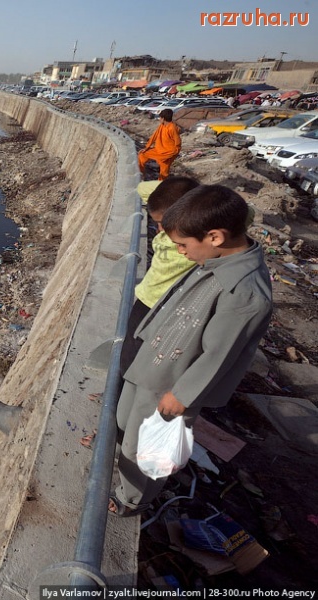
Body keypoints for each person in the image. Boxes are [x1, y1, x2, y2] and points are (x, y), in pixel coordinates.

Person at [109, 185, 272, 517]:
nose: (180, 251)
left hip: (169, 386)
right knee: (127, 425)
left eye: (183, 245)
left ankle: (131, 500)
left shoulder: (245, 292)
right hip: (153, 366)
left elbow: (219, 353)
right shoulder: (216, 260)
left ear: (214, 236)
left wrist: (183, 394)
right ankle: (118, 463)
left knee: (149, 448)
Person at [119, 177, 200, 376]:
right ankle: (122, 386)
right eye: (158, 223)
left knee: (139, 350)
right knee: (130, 347)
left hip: (165, 304)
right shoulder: (177, 231)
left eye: (163, 223)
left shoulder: (190, 241)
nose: (161, 229)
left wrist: (201, 199)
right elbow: (142, 188)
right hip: (147, 299)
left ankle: (123, 394)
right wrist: (195, 194)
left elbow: (244, 214)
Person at [138, 109, 182, 181]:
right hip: (158, 150)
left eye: (160, 118)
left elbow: (178, 143)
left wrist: (172, 154)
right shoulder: (162, 125)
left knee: (164, 171)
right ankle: (140, 175)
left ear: (163, 118)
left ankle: (160, 185)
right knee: (142, 154)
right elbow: (154, 136)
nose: (159, 119)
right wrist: (147, 147)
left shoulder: (172, 128)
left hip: (168, 153)